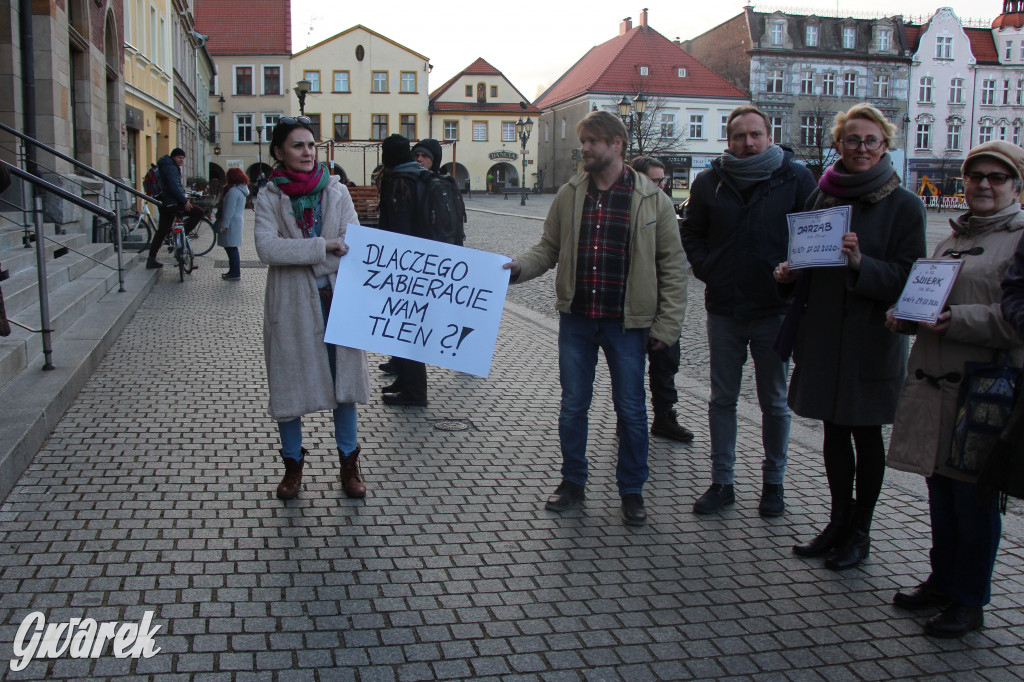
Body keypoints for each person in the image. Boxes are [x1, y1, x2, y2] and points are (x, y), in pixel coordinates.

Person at [503, 111, 688, 526]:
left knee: (632, 410)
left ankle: (632, 490)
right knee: (572, 407)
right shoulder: (570, 194)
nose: (583, 148)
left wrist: (666, 326)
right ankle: (573, 482)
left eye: (592, 141)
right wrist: (517, 268)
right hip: (578, 320)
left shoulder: (651, 199)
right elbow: (548, 248)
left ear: (617, 144)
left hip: (628, 324)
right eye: (582, 140)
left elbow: (673, 268)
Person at [775, 104, 926, 570]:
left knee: (866, 434)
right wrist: (789, 273)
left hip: (869, 339)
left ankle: (861, 531)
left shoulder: (904, 204)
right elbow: (809, 260)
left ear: (885, 145)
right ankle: (837, 523)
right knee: (833, 433)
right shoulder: (822, 198)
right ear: (838, 144)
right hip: (823, 335)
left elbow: (910, 277)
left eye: (871, 141)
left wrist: (863, 264)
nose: (861, 149)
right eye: (852, 140)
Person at [887, 141, 1024, 638]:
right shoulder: (954, 237)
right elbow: (926, 295)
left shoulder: (1020, 239)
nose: (984, 185)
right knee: (940, 492)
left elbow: (1018, 322)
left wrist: (954, 320)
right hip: (934, 387)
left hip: (984, 391)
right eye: (975, 176)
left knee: (975, 502)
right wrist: (905, 314)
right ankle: (941, 581)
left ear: (1015, 185)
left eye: (997, 177)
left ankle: (970, 600)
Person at [681, 105, 816, 517]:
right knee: (722, 399)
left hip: (775, 308)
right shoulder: (709, 181)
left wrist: (794, 271)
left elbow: (814, 232)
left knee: (774, 401)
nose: (748, 143)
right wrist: (709, 269)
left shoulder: (796, 178)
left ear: (768, 136)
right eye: (739, 136)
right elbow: (691, 230)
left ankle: (773, 484)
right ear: (729, 140)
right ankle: (723, 481)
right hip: (724, 309)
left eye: (755, 134)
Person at [254, 116, 371, 500]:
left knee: (345, 385)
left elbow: (354, 243)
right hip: (290, 305)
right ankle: (292, 467)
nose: (307, 152)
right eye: (297, 145)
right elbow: (267, 249)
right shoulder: (269, 196)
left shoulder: (337, 192)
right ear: (279, 152)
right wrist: (325, 247)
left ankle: (349, 464)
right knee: (289, 388)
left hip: (337, 299)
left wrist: (318, 252)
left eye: (310, 145)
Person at [628, 155, 694, 444]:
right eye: (655, 181)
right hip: (632, 303)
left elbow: (674, 262)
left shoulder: (664, 208)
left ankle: (664, 416)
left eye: (663, 181)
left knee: (666, 364)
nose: (661, 187)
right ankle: (628, 418)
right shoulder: (628, 208)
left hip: (661, 302)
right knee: (629, 367)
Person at [375, 134, 432, 407]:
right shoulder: (419, 175)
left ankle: (414, 393)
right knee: (406, 327)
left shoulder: (399, 181)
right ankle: (405, 381)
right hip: (425, 261)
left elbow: (396, 229)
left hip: (405, 267)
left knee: (407, 328)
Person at [147, 148, 205, 269]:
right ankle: (184, 233)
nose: (181, 160)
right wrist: (184, 201)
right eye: (179, 157)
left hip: (164, 204)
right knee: (199, 212)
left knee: (162, 231)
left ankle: (151, 258)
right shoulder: (171, 167)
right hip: (172, 203)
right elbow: (174, 186)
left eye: (183, 158)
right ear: (173, 157)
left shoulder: (164, 165)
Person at [217, 167, 249, 281]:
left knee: (231, 248)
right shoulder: (241, 190)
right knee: (231, 247)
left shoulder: (233, 191)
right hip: (236, 221)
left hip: (231, 223)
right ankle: (233, 271)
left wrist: (224, 224)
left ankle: (235, 272)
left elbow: (229, 210)